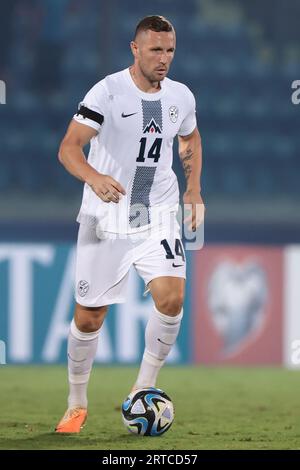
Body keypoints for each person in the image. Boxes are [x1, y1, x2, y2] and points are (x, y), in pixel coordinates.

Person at [55, 15, 204, 433]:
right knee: (89, 317)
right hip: (107, 217)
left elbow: (189, 138)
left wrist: (193, 190)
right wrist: (94, 177)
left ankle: (143, 389)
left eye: (170, 50)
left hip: (156, 213)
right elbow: (68, 148)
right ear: (135, 49)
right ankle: (76, 402)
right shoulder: (107, 92)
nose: (164, 59)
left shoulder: (181, 96)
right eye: (156, 50)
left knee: (172, 298)